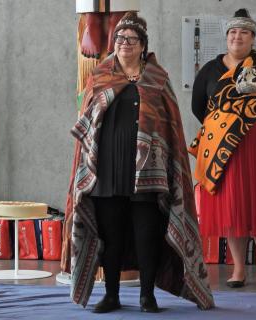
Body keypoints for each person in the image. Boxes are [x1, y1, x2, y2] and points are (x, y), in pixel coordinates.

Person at [69, 11, 214, 313]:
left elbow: (170, 129)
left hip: (149, 174)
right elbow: (87, 123)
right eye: (120, 39)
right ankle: (111, 295)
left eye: (132, 39)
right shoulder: (100, 75)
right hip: (107, 172)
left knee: (147, 235)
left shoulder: (158, 79)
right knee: (111, 237)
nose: (124, 44)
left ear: (143, 45)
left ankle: (147, 295)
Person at [189, 8, 256, 292]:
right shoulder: (210, 69)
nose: (238, 36)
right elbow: (198, 106)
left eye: (244, 32)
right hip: (224, 148)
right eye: (233, 32)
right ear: (226, 37)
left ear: (253, 38)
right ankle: (238, 270)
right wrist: (223, 129)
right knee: (233, 206)